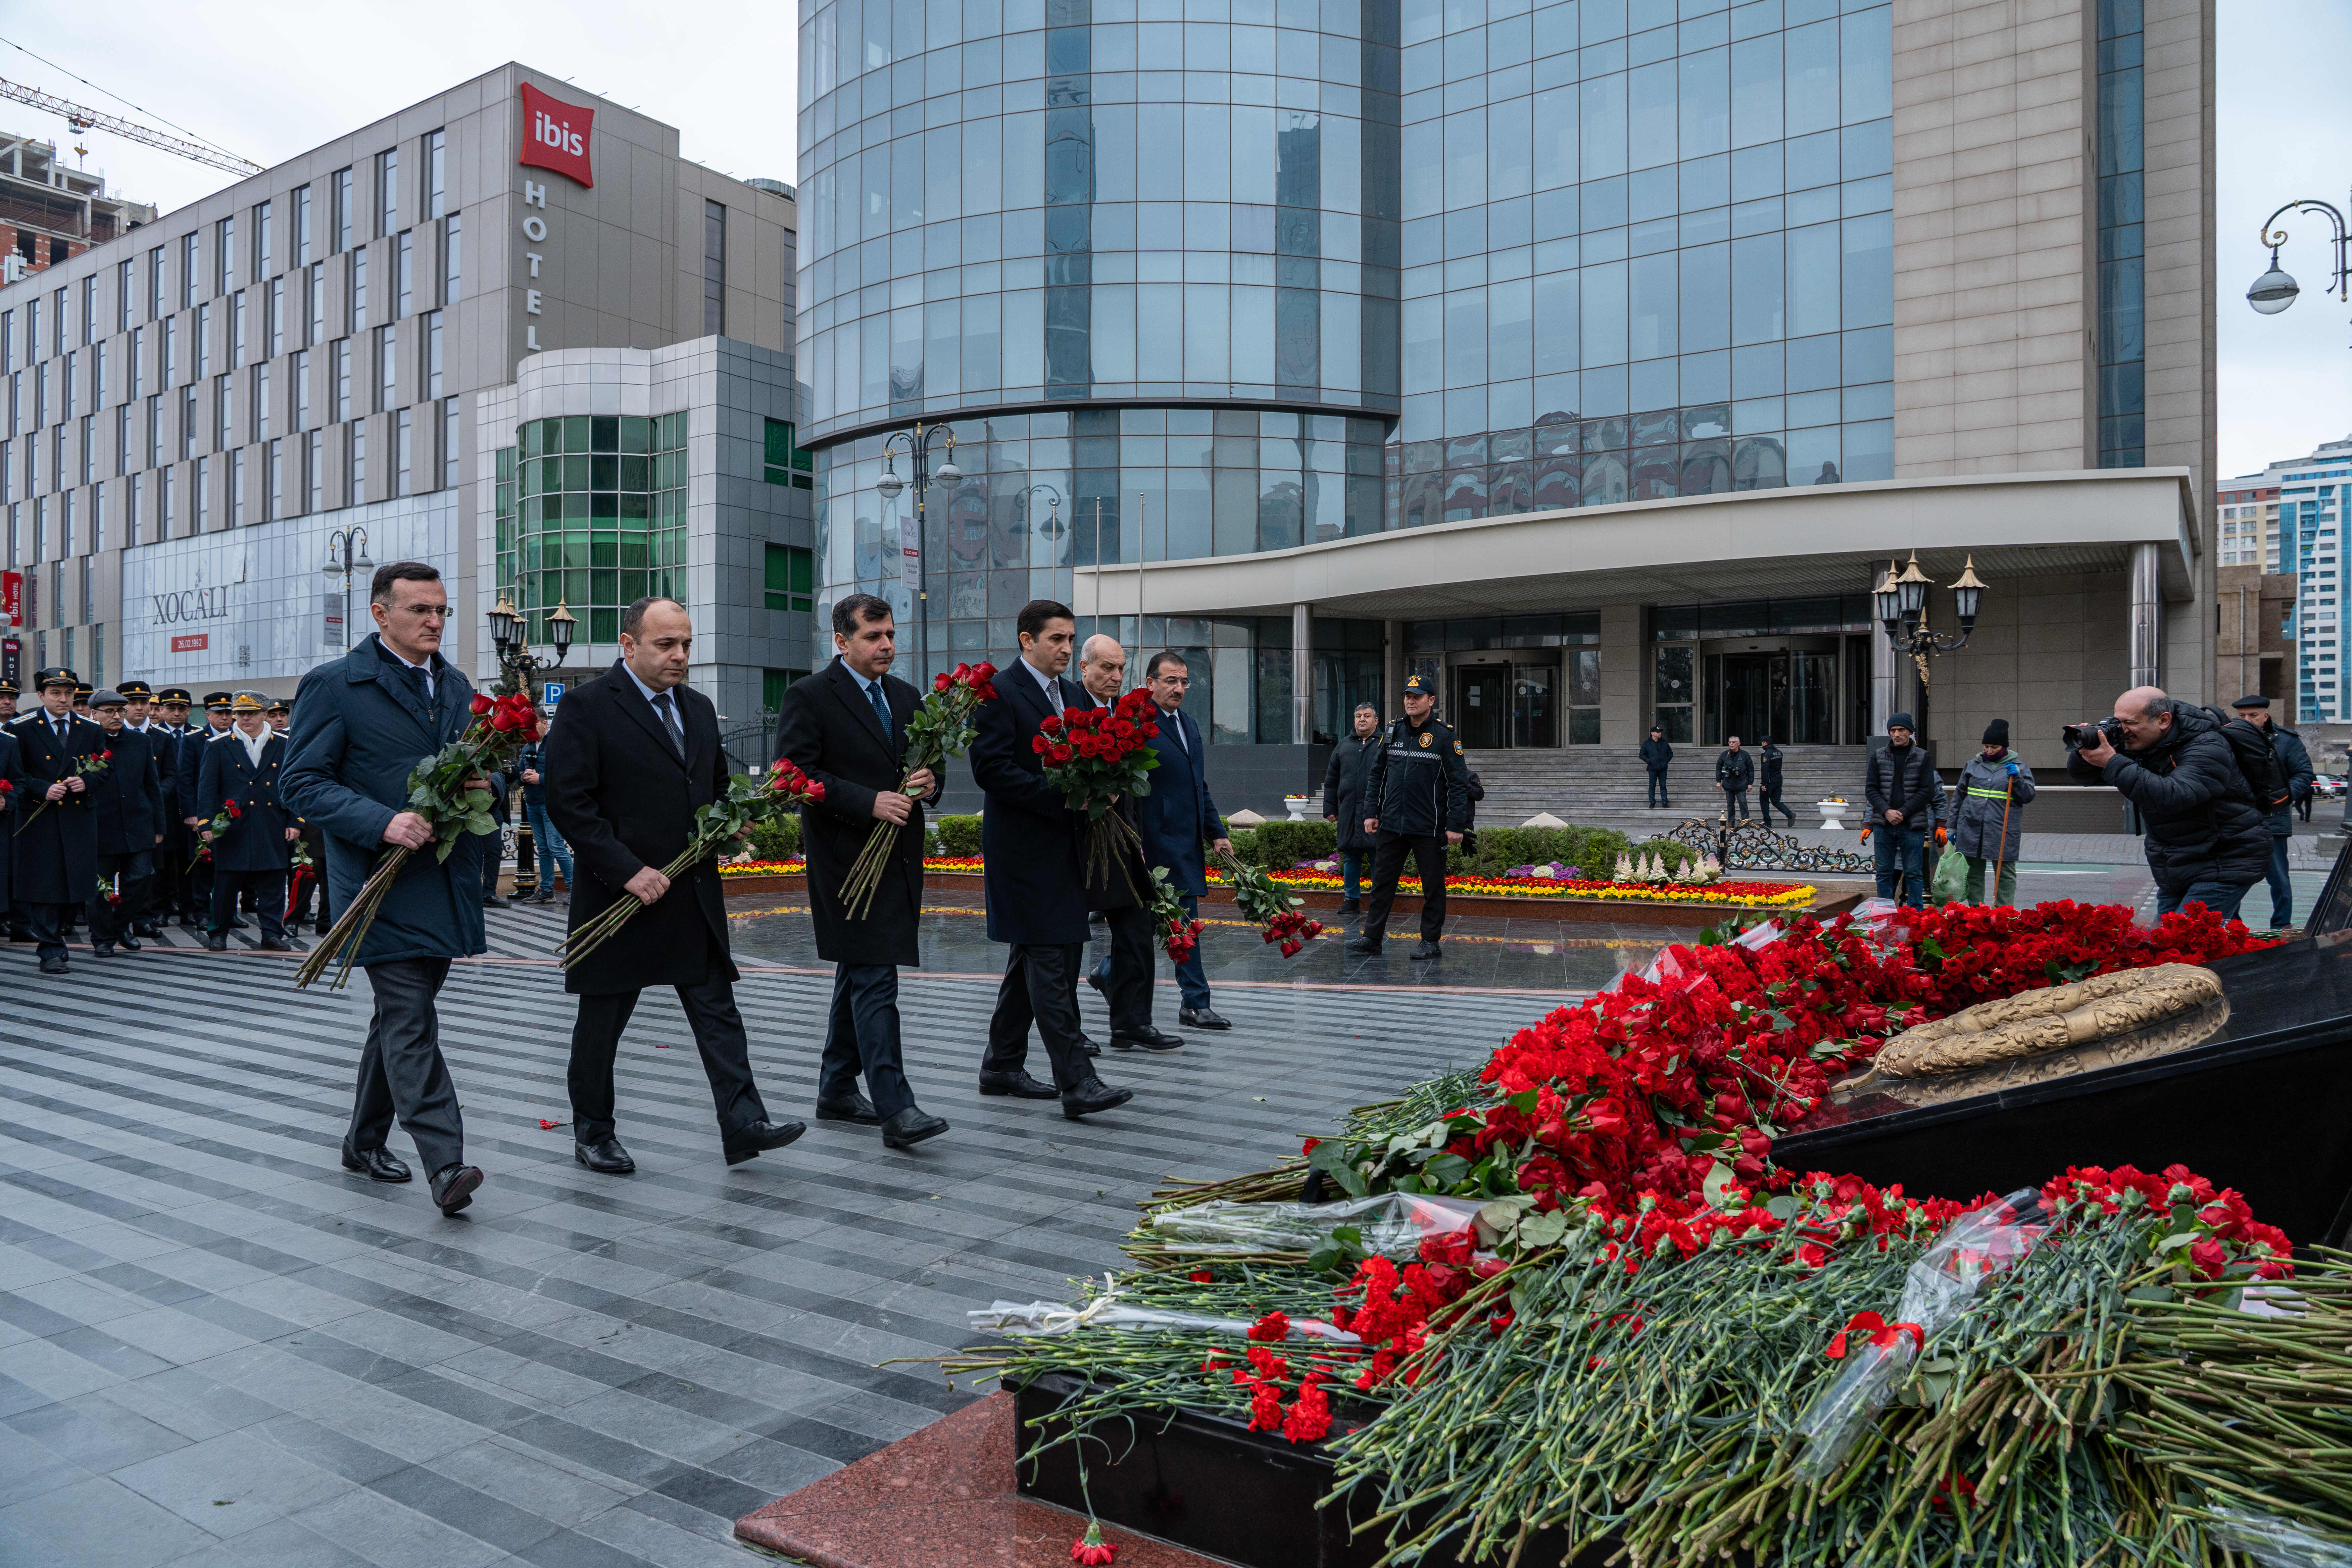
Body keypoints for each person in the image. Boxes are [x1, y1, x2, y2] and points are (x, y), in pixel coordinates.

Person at [542, 597, 808, 1172]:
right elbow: (568, 801)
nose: (680, 655)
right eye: (666, 644)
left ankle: (743, 1122)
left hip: (690, 892)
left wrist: (729, 827)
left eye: (686, 643)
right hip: (619, 895)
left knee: (718, 1011)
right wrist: (626, 869)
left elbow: (711, 788)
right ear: (629, 643)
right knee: (602, 1023)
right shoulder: (588, 707)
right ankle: (594, 1133)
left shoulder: (697, 706)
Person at [282, 562, 490, 1217]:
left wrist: (493, 789)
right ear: (381, 613)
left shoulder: (456, 687)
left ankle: (363, 1140)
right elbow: (302, 782)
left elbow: (484, 766)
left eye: (441, 611)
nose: (434, 621)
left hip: (443, 881)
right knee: (409, 1017)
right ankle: (447, 1163)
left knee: (400, 1017)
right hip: (378, 883)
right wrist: (383, 820)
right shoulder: (336, 685)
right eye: (420, 610)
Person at [771, 593, 954, 1149]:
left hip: (897, 859)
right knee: (876, 975)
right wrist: (866, 800)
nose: (886, 646)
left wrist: (929, 783)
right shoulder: (808, 696)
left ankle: (835, 1088)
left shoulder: (906, 696)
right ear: (841, 641)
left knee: (860, 971)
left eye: (890, 635)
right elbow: (792, 774)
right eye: (874, 636)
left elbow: (931, 767)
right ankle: (896, 1107)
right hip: (844, 863)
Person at [971, 599, 1137, 1118]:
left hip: (1068, 852)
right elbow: (991, 770)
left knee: (1036, 962)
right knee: (1052, 967)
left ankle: (1001, 1066)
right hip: (1022, 856)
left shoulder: (1070, 695)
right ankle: (1078, 1083)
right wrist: (1063, 797)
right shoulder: (998, 692)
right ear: (1027, 640)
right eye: (1057, 640)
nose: (1067, 649)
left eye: (1071, 640)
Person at [2067, 687, 2271, 921]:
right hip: (2179, 861)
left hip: (2224, 860)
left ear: (2164, 720)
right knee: (2201, 944)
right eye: (2117, 721)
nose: (2122, 730)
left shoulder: (2207, 746)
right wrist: (2086, 750)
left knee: (2175, 943)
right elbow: (2085, 777)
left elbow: (2174, 796)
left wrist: (2112, 762)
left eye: (2130, 722)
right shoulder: (2142, 742)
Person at [1073, 633, 1183, 1053]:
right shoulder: (1070, 708)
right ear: (1085, 669)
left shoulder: (1127, 716)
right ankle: (1072, 1033)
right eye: (1107, 668)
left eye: (1121, 668)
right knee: (1066, 944)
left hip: (1123, 840)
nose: (1116, 676)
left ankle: (1133, 1023)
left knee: (1137, 930)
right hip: (1079, 844)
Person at [1128, 649, 1233, 1027]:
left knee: (1165, 923)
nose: (1178, 688)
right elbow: (1126, 788)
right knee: (1178, 922)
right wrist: (1133, 839)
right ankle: (1195, 1002)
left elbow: (1197, 785)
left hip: (1185, 841)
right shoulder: (1137, 724)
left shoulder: (1188, 725)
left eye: (1184, 681)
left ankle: (1109, 974)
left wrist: (1216, 833)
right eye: (1170, 680)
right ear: (1150, 683)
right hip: (1154, 843)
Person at [1345, 673, 1471, 961]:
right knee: (1382, 885)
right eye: (1407, 696)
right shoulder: (1393, 732)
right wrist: (1371, 813)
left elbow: (1459, 783)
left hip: (1430, 826)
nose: (1411, 701)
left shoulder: (1444, 736)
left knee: (1433, 888)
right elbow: (1377, 774)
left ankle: (1430, 942)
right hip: (1391, 823)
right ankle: (1372, 938)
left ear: (1431, 701)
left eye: (1417, 697)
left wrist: (1455, 825)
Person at [9, 668, 103, 974]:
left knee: (73, 886)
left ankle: (56, 939)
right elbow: (13, 775)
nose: (64, 700)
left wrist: (88, 781)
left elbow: (105, 767)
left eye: (68, 693)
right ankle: (49, 949)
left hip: (77, 819)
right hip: (41, 820)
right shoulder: (20, 728)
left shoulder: (89, 728)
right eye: (56, 693)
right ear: (40, 696)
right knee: (44, 887)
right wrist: (41, 788)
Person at [196, 692, 298, 951]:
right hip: (232, 826)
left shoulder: (285, 744)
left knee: (273, 883)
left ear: (264, 714)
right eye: (240, 714)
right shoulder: (219, 744)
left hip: (272, 821)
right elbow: (208, 788)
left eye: (252, 713)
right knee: (226, 885)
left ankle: (272, 933)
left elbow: (295, 786)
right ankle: (218, 932)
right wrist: (206, 824)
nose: (245, 719)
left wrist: (295, 821)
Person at [83, 689, 165, 956]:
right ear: (94, 714)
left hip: (138, 823)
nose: (117, 716)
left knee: (143, 878)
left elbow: (152, 785)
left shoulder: (140, 742)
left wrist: (159, 827)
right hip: (99, 826)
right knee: (101, 888)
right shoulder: (85, 740)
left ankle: (119, 926)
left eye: (121, 711)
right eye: (110, 712)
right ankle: (102, 938)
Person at [2231, 694, 2313, 929]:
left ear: (2266, 716)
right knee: (2234, 875)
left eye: (2253, 715)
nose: (2247, 720)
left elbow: (2304, 774)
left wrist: (2283, 798)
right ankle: (2234, 927)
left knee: (2278, 878)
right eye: (2242, 716)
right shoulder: (2228, 737)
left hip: (2274, 819)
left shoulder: (2287, 740)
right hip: (2237, 819)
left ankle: (2282, 926)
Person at [1949, 720, 2036, 907]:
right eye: (1986, 747)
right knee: (1973, 873)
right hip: (1971, 827)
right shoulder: (1972, 766)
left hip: (2002, 828)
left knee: (2004, 873)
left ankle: (2004, 911)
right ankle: (1976, 911)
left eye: (1994, 747)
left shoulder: (2018, 767)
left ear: (2004, 747)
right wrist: (1951, 826)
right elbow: (1959, 796)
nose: (1989, 751)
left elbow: (2028, 796)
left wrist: (2018, 779)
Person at [1866, 713, 1937, 905]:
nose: (1897, 734)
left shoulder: (1923, 757)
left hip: (1912, 825)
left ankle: (1915, 915)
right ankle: (1885, 913)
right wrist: (1886, 811)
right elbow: (1871, 789)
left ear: (1910, 732)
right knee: (1884, 872)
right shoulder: (1878, 756)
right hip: (1884, 823)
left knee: (1914, 872)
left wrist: (1903, 812)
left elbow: (1927, 791)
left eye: (1901, 730)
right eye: (1893, 730)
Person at [181, 692, 237, 928]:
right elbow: (186, 780)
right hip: (205, 812)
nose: (225, 718)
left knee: (231, 866)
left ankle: (228, 913)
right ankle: (202, 912)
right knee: (204, 864)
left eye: (228, 713)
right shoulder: (194, 740)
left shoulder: (239, 738)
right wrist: (193, 814)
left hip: (233, 813)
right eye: (219, 713)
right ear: (208, 715)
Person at [1322, 702, 1382, 916]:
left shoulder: (1385, 744)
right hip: (1348, 811)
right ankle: (1351, 900)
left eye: (1367, 716)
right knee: (1351, 857)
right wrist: (1330, 808)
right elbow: (1331, 781)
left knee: (1379, 858)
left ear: (1376, 720)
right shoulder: (1344, 745)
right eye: (1358, 716)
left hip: (1377, 813)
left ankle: (1379, 902)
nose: (1362, 719)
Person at [516, 710, 572, 903]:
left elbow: (567, 777)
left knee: (556, 847)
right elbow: (519, 773)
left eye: (532, 726)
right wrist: (522, 777)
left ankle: (574, 889)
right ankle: (547, 891)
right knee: (544, 849)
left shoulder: (557, 743)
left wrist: (541, 779)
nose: (529, 731)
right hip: (533, 803)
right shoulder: (527, 747)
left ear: (544, 723)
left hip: (552, 804)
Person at [1714, 735, 1754, 824]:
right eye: (1730, 743)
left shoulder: (1745, 755)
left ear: (1739, 744)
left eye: (1734, 742)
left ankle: (1746, 821)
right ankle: (1731, 822)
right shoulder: (1725, 755)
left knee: (1743, 803)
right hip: (1729, 783)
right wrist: (1719, 781)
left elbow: (1751, 769)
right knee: (1730, 804)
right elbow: (1719, 768)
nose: (1732, 744)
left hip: (1741, 783)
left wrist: (1751, 783)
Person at [1756, 736, 1793, 827]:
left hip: (1770, 781)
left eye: (1762, 743)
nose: (1762, 744)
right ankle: (1790, 814)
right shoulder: (1779, 752)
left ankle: (1768, 823)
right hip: (1778, 780)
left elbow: (1765, 770)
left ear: (1765, 743)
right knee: (1776, 801)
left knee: (1764, 801)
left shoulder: (1766, 755)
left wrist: (1764, 784)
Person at [1639, 725, 1673, 808]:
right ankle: (1652, 802)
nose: (1660, 733)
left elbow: (1670, 753)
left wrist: (1666, 761)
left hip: (1663, 768)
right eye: (1658, 732)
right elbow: (1642, 755)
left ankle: (1665, 802)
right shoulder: (1647, 744)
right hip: (1653, 768)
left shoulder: (1664, 743)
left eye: (1660, 732)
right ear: (1652, 733)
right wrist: (1649, 761)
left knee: (1663, 786)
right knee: (1652, 786)